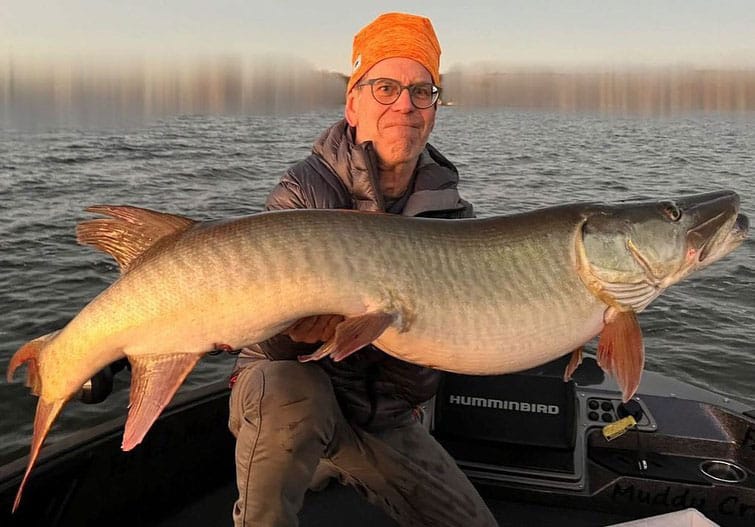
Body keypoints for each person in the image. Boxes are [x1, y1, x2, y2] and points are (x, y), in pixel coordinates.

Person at [228, 12, 499, 527]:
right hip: (294, 393)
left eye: (423, 91)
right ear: (353, 103)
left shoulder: (455, 217)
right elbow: (264, 343)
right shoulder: (304, 192)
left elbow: (440, 352)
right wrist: (298, 335)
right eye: (386, 87)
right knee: (291, 396)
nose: (406, 104)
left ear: (435, 110)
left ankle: (336, 462)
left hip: (384, 418)